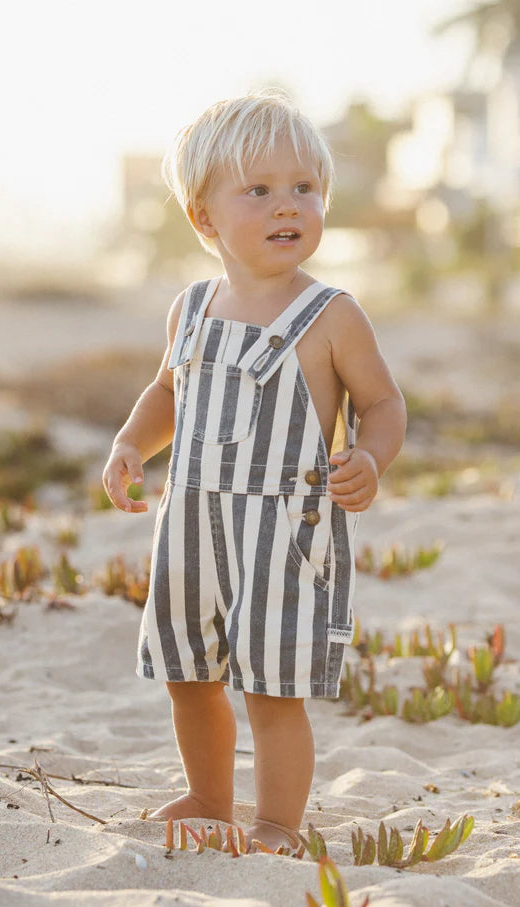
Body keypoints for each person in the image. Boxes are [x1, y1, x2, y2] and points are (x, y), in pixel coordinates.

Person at [102, 91, 406, 852]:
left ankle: (276, 822)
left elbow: (384, 403)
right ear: (205, 219)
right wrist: (133, 444)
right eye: (260, 190)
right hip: (193, 520)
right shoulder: (193, 309)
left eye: (304, 187)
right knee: (189, 672)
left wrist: (370, 456)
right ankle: (209, 792)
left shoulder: (332, 315)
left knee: (273, 685)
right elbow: (170, 390)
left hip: (286, 530)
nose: (288, 206)